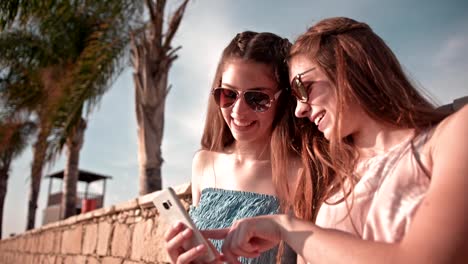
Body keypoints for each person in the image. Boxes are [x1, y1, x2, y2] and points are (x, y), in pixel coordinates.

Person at [203, 17, 468, 264]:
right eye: (294, 96)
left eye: (304, 88)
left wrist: (287, 228)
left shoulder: (453, 133)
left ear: (349, 67)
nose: (299, 110)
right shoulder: (335, 179)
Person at [164, 31, 311, 263]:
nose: (238, 111)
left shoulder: (301, 173)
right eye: (228, 94)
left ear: (284, 99)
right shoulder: (203, 163)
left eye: (257, 98)